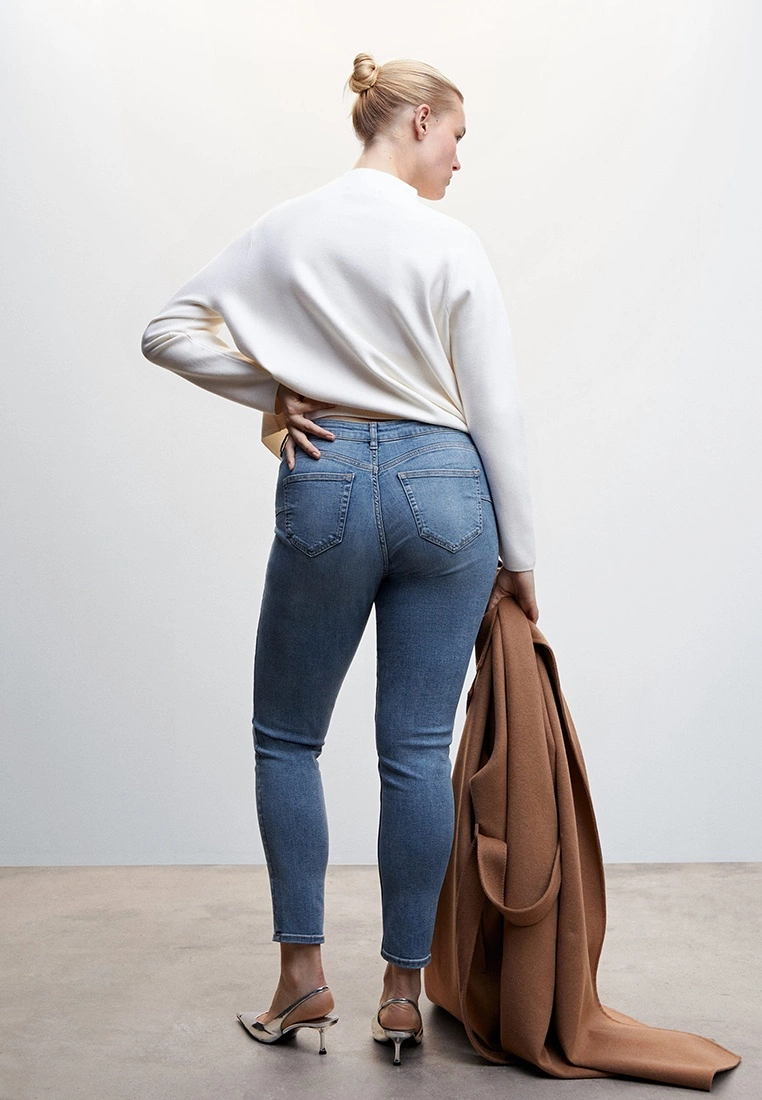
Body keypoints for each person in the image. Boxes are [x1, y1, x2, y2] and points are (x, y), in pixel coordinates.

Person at [140, 51, 539, 1065]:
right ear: (419, 120)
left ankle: (302, 977)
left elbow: (166, 329)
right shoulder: (451, 241)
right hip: (447, 489)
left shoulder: (290, 226)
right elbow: (495, 406)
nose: (460, 160)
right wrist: (521, 554)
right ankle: (402, 993)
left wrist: (271, 393)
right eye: (458, 135)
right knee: (414, 749)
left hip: (327, 475)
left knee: (287, 739)